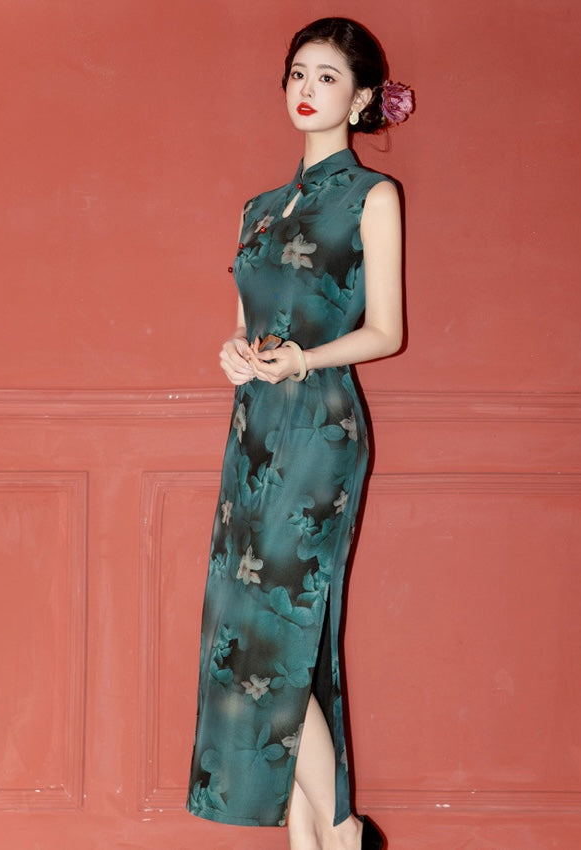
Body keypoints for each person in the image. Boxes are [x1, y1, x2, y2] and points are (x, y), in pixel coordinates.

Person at [187, 17, 412, 850]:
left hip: (318, 431)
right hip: (253, 429)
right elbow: (244, 325)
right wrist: (237, 355)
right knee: (255, 635)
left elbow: (385, 331)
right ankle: (310, 841)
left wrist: (302, 360)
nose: (306, 89)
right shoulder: (255, 209)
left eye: (326, 77)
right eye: (297, 74)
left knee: (273, 635)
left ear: (359, 100)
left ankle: (345, 834)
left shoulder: (371, 196)